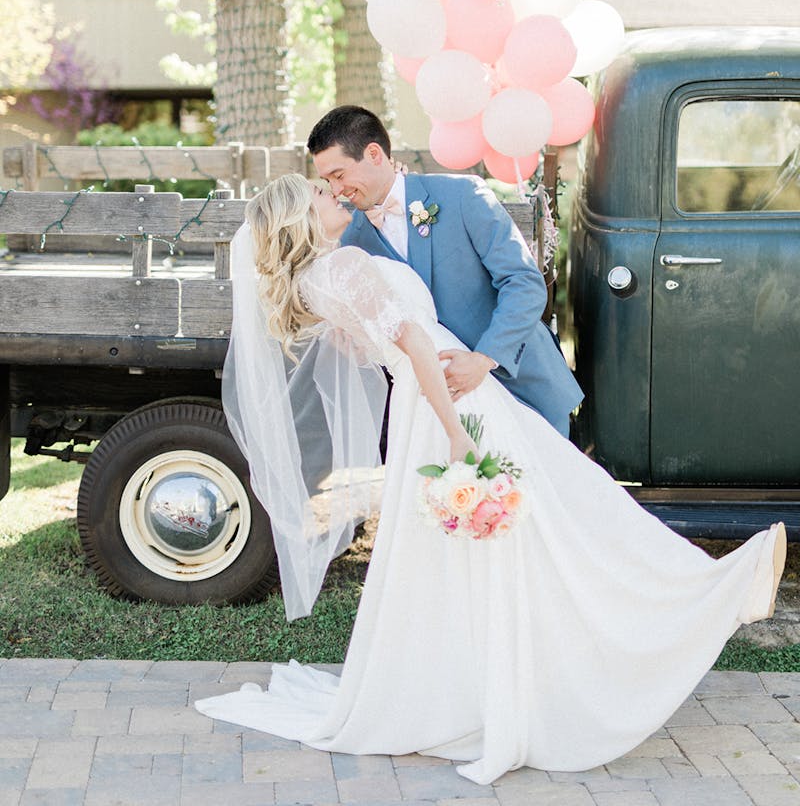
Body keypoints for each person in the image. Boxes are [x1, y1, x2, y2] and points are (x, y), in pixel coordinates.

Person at [196, 174, 787, 786]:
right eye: (319, 195)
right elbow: (415, 341)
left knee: (546, 515)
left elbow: (374, 352)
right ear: (300, 218)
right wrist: (455, 432)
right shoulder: (343, 264)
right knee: (565, 509)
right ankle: (710, 590)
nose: (334, 196)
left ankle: (698, 594)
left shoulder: (316, 283)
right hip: (454, 406)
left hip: (426, 406)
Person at [307, 105, 582, 436]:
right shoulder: (354, 241)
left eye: (339, 175)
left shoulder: (462, 195)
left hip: (521, 385)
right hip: (446, 411)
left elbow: (524, 282)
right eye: (327, 182)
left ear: (375, 154)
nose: (337, 191)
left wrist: (483, 359)